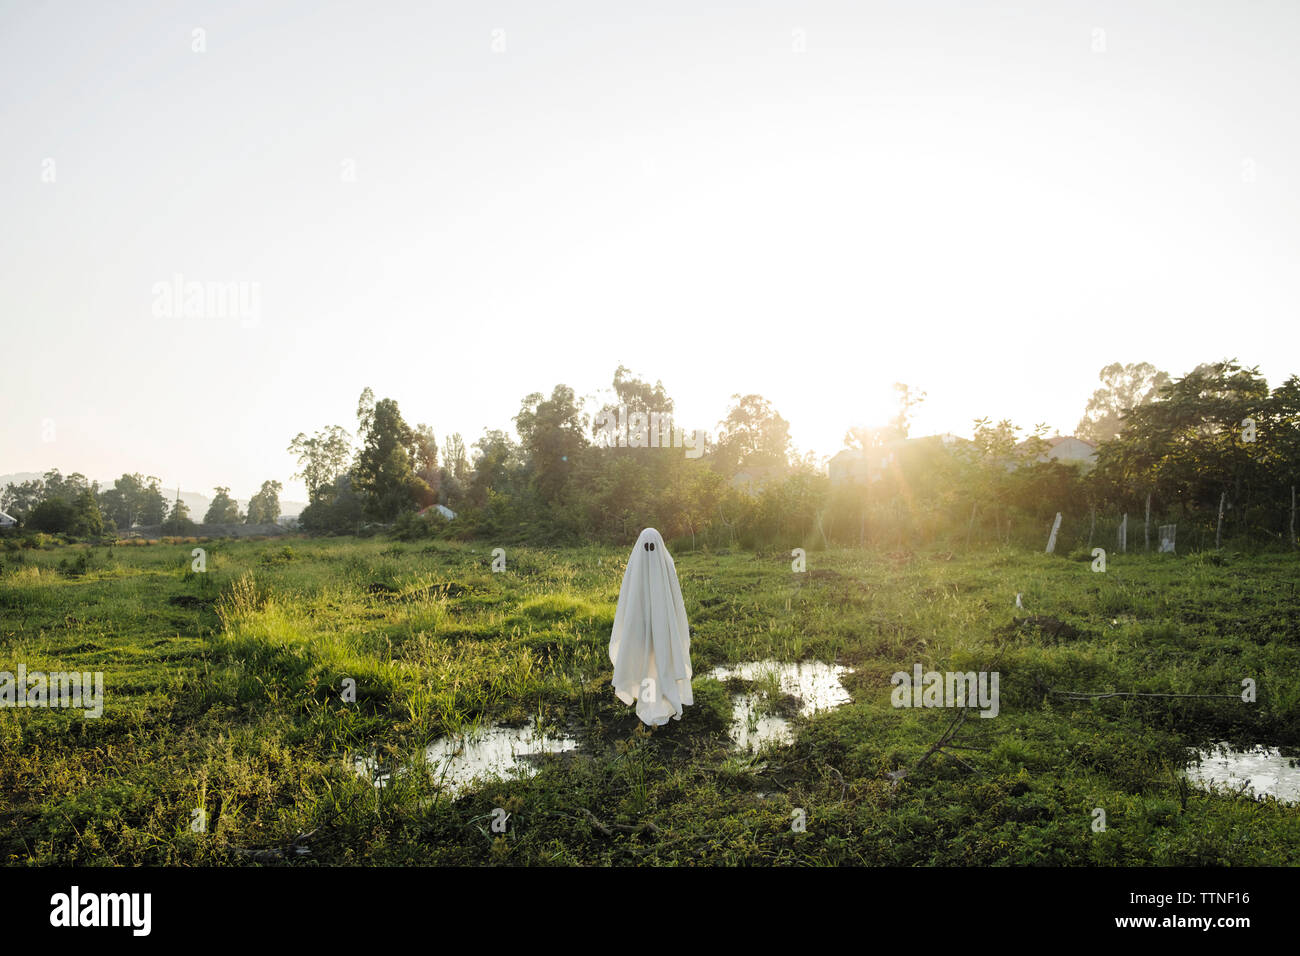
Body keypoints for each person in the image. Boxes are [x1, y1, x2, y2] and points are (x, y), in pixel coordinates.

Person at [609, 528, 693, 726]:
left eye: (652, 547)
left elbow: (675, 600)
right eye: (646, 547)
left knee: (662, 664)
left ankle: (663, 703)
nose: (649, 551)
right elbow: (628, 602)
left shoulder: (666, 564)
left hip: (664, 627)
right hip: (640, 627)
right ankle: (648, 705)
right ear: (641, 546)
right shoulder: (635, 566)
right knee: (647, 666)